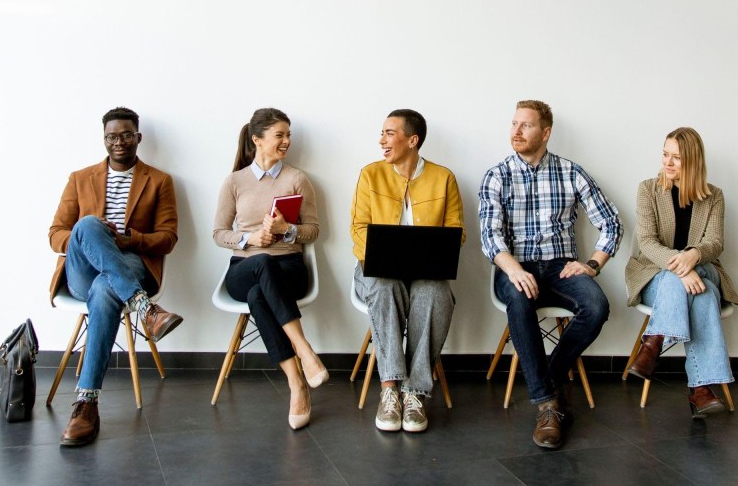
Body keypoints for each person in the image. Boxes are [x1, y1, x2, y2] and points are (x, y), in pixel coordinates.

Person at [478, 100, 623, 449]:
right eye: (513, 123)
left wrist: (591, 264)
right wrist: (513, 269)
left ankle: (552, 379)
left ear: (545, 133)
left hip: (561, 265)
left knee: (597, 305)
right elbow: (489, 236)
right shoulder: (497, 175)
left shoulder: (571, 172)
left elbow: (612, 223)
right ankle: (547, 405)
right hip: (517, 265)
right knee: (519, 297)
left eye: (525, 125)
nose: (516, 131)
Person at [49, 107, 184, 447]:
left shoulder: (159, 181)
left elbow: (167, 237)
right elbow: (55, 234)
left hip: (131, 262)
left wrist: (129, 240)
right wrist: (90, 236)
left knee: (104, 289)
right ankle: (146, 309)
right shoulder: (80, 178)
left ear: (138, 137)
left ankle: (85, 405)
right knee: (88, 224)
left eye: (126, 135)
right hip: (82, 268)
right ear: (104, 140)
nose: (119, 142)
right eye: (112, 136)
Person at [350, 109, 465, 433]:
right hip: (376, 272)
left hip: (426, 273)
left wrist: (431, 256)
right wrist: (376, 257)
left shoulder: (444, 177)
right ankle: (389, 390)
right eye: (382, 133)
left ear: (412, 140)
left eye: (389, 133)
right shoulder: (370, 174)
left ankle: (414, 393)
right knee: (385, 287)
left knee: (436, 293)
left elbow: (457, 231)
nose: (381, 140)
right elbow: (358, 228)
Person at [212, 108, 327, 430]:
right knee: (260, 264)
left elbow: (313, 230)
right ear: (257, 140)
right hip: (244, 265)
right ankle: (304, 351)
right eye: (280, 135)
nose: (287, 141)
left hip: (288, 266)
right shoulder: (234, 181)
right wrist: (250, 238)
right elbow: (219, 233)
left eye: (288, 135)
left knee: (258, 294)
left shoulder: (297, 179)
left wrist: (286, 230)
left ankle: (296, 384)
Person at [624, 127, 738, 418]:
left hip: (703, 268)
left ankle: (654, 342)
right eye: (665, 154)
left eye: (676, 157)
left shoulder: (714, 196)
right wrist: (681, 268)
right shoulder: (647, 189)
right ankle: (701, 390)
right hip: (654, 273)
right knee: (703, 295)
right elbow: (647, 242)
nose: (668, 162)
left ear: (693, 161)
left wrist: (693, 257)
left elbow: (715, 243)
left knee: (695, 280)